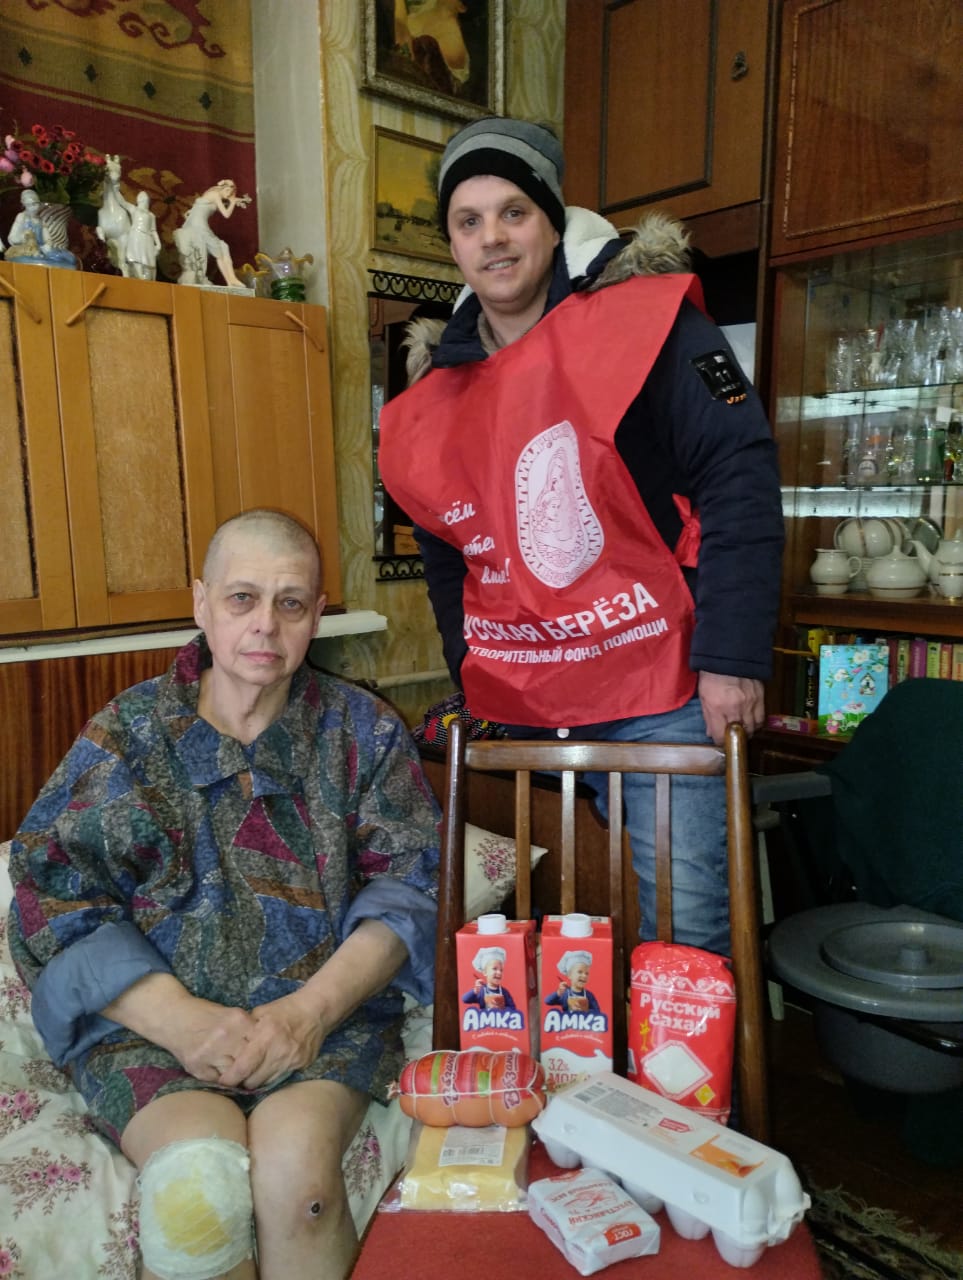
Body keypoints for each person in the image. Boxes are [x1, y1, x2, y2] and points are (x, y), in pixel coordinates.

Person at [378, 116, 785, 961]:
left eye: (513, 212)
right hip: (527, 698)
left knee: (686, 927)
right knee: (558, 921)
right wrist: (469, 669)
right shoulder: (437, 391)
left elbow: (738, 474)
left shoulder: (648, 326)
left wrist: (732, 658)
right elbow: (444, 550)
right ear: (452, 245)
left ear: (552, 222)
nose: (492, 238)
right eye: (468, 221)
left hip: (662, 684)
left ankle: (691, 1057)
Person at [7, 509, 441, 1280]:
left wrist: (305, 1017)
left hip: (322, 1020)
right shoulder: (129, 735)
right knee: (197, 1190)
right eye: (242, 598)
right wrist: (181, 1022)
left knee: (301, 1186)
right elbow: (52, 896)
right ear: (201, 604)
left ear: (316, 615)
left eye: (290, 602)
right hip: (148, 1027)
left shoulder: (364, 732)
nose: (265, 625)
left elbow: (409, 887)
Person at [174, 178, 251, 287]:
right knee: (220, 249)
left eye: (231, 193)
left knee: (223, 248)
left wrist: (237, 200)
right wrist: (233, 202)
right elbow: (226, 214)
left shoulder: (213, 196)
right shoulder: (215, 194)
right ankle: (231, 280)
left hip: (199, 225)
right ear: (222, 188)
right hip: (199, 227)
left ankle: (231, 280)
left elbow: (195, 210)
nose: (228, 195)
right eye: (228, 191)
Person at [5, 187, 77, 267]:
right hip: (28, 250)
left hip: (42, 250)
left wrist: (48, 245)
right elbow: (12, 238)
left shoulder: (40, 220)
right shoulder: (22, 217)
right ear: (24, 205)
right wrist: (23, 237)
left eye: (35, 204)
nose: (33, 208)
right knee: (31, 261)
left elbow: (47, 238)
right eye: (29, 205)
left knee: (70, 259)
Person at [461, 944, 516, 1009]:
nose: (499, 972)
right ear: (485, 972)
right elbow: (465, 999)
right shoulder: (481, 991)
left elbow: (513, 1008)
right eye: (495, 969)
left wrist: (503, 1009)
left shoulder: (504, 992)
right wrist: (475, 991)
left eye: (501, 970)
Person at [125, 190, 162, 280]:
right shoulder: (134, 210)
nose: (145, 202)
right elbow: (122, 202)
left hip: (147, 238)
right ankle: (138, 275)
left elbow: (153, 230)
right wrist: (113, 187)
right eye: (143, 199)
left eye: (146, 200)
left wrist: (158, 244)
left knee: (148, 261)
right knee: (136, 257)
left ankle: (146, 278)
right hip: (136, 236)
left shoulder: (151, 215)